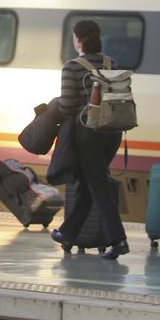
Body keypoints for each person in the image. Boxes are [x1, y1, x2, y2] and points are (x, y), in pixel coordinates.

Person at [50, 18, 131, 260]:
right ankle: (68, 232)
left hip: (88, 134)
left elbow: (67, 106)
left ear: (78, 39)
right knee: (89, 184)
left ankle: (118, 240)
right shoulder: (110, 63)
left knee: (98, 185)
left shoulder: (72, 67)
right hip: (113, 132)